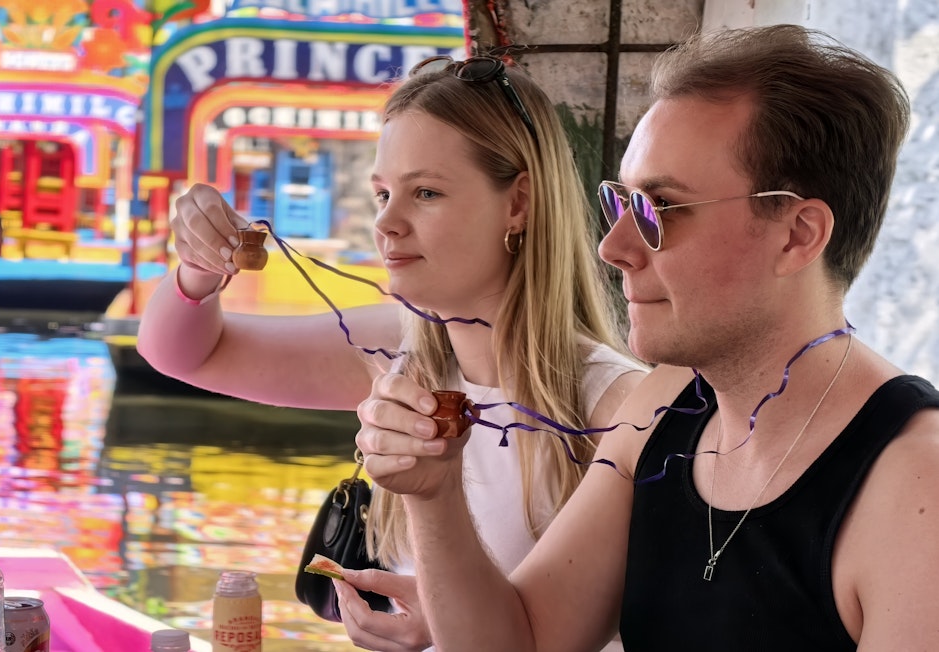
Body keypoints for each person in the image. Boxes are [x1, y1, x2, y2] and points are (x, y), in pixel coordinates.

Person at [345, 24, 939, 652]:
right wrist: (432, 492)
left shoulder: (914, 487)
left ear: (796, 235)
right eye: (621, 202)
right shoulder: (665, 404)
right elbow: (521, 643)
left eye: (661, 208)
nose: (614, 247)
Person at [135, 54, 645, 650]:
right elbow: (185, 354)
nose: (387, 224)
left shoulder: (620, 407)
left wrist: (448, 617)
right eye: (382, 194)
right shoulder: (400, 349)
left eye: (425, 192)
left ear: (518, 204)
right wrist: (197, 268)